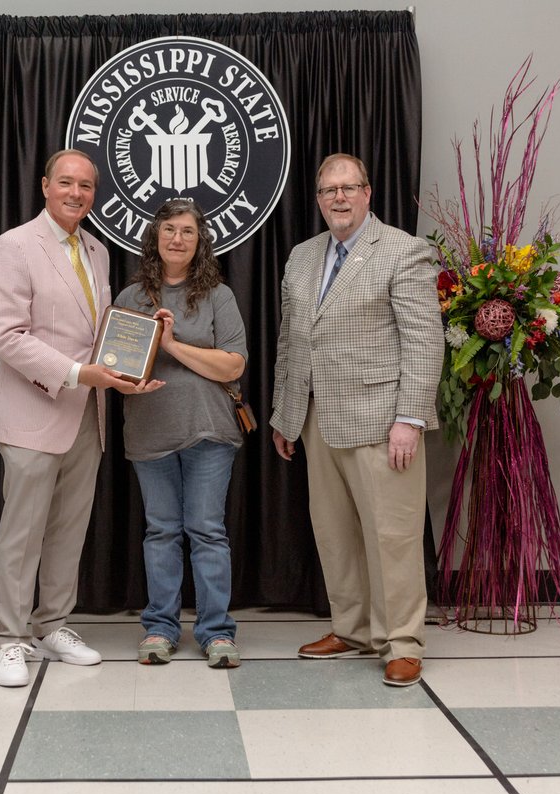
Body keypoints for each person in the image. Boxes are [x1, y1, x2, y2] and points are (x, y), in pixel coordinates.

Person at [0, 149, 161, 687]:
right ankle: (9, 639)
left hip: (89, 414)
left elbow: (100, 331)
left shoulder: (96, 251)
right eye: (66, 182)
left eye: (86, 185)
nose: (76, 193)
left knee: (67, 530)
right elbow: (7, 336)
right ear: (44, 186)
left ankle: (52, 624)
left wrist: (139, 350)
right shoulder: (14, 246)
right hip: (34, 412)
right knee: (23, 532)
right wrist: (81, 374)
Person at [270, 153, 443, 686]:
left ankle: (402, 641)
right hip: (316, 418)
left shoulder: (404, 251)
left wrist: (409, 419)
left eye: (348, 187)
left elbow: (423, 341)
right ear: (318, 199)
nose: (338, 198)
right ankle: (351, 628)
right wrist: (283, 414)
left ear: (368, 192)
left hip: (380, 420)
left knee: (391, 535)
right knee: (335, 532)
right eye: (328, 190)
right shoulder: (301, 257)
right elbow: (290, 341)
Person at [115, 199, 248, 669]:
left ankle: (216, 633)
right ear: (154, 237)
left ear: (200, 241)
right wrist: (130, 375)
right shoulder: (130, 299)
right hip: (149, 432)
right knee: (161, 532)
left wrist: (170, 344)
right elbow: (115, 368)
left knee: (208, 531)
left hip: (208, 432)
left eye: (187, 232)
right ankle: (160, 628)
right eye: (169, 229)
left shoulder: (217, 296)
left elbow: (233, 364)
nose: (177, 239)